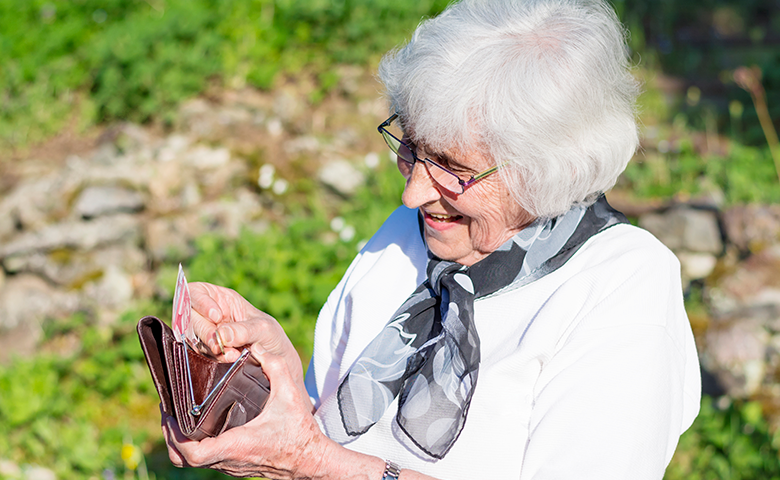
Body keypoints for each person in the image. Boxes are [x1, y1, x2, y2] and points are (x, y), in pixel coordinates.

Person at [161, 0, 702, 478]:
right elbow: (333, 440)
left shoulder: (621, 287)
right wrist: (265, 384)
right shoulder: (415, 234)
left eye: (452, 167)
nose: (414, 193)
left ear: (544, 171)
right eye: (412, 148)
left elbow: (324, 460)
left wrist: (310, 463)